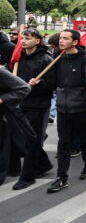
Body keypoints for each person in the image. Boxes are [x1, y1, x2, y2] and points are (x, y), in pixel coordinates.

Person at [45, 29, 86, 193]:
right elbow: (52, 82)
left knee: (84, 139)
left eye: (65, 38)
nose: (61, 41)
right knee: (63, 142)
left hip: (80, 107)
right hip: (62, 107)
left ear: (75, 42)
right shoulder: (57, 58)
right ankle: (61, 177)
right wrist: (37, 82)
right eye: (60, 38)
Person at [12, 28, 55, 189]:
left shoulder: (46, 59)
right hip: (19, 104)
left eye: (27, 38)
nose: (23, 41)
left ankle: (28, 176)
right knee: (23, 138)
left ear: (37, 41)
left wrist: (39, 84)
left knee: (32, 140)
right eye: (22, 38)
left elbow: (52, 84)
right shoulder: (18, 58)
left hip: (38, 105)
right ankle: (43, 164)